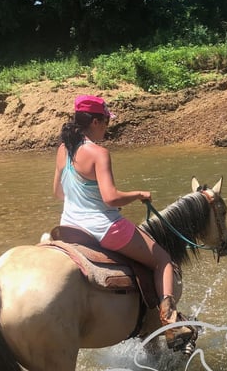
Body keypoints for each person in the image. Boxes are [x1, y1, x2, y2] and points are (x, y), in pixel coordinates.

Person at [53, 95, 193, 350]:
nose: (108, 126)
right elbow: (110, 199)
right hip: (102, 227)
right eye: (106, 121)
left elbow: (58, 193)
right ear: (95, 121)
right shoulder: (98, 153)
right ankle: (171, 322)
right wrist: (139, 194)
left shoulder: (64, 149)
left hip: (71, 226)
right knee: (162, 260)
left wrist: (86, 197)